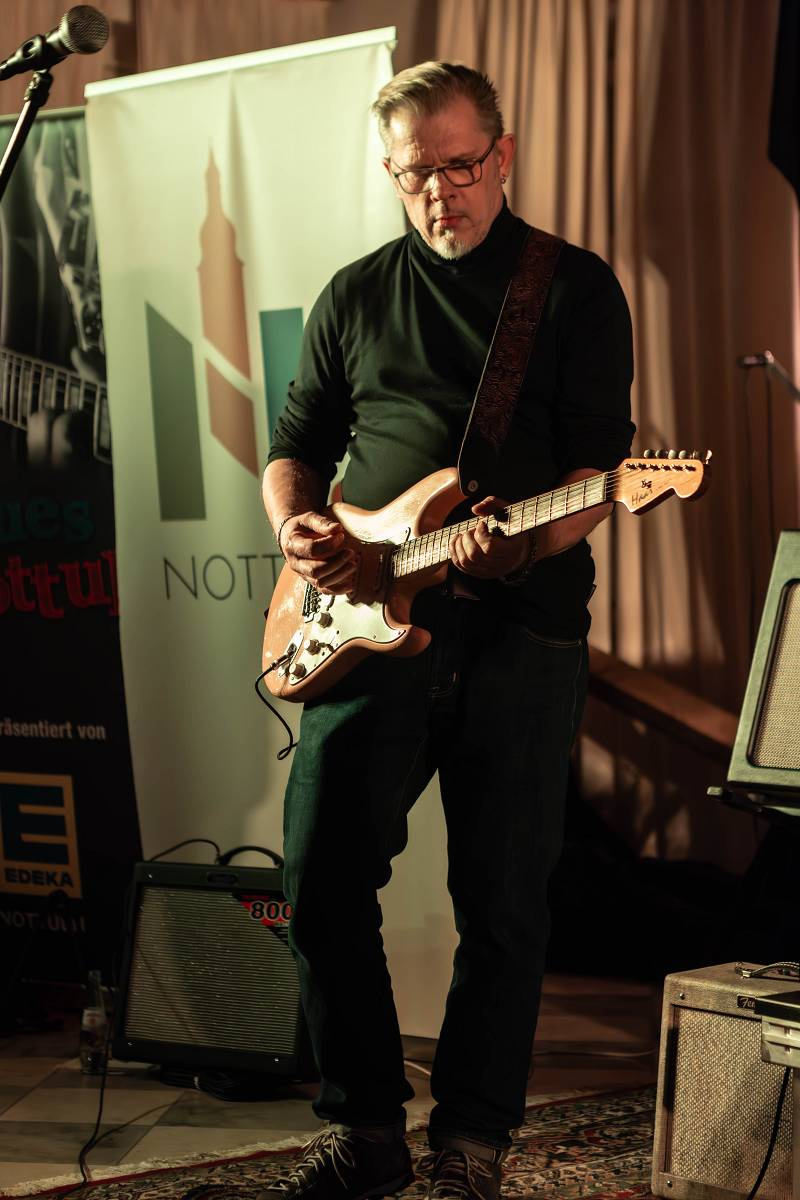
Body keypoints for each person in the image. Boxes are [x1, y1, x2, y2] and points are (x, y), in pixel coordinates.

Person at [261, 61, 634, 1200]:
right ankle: (365, 1129)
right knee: (318, 880)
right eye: (413, 174)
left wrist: (520, 546)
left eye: (460, 167)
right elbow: (295, 444)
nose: (439, 193)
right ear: (390, 172)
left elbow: (600, 472)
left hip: (520, 632)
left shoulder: (571, 289)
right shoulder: (355, 293)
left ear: (502, 155)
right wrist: (298, 528)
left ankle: (471, 1144)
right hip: (363, 620)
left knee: (503, 902)